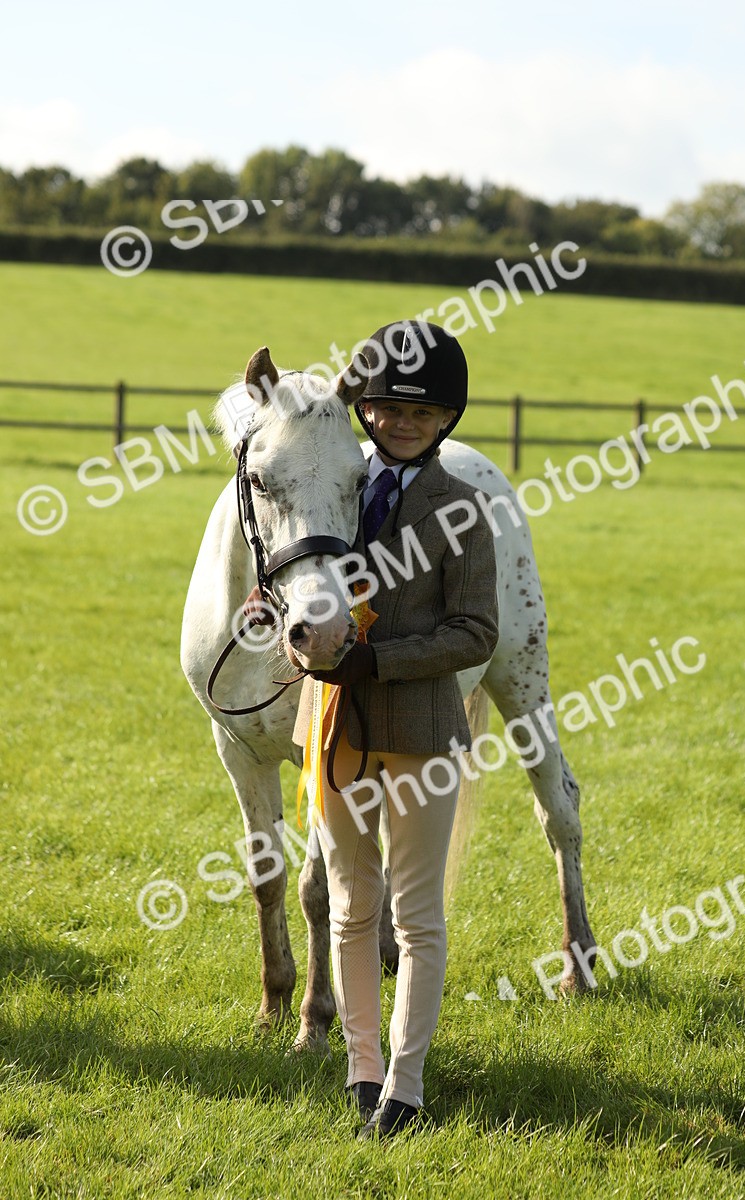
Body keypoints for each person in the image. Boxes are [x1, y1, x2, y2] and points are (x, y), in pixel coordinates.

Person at [293, 320, 499, 1140]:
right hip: (331, 724)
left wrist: (379, 662)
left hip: (419, 730)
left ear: (446, 418)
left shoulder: (463, 508)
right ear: (365, 407)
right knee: (349, 905)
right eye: (385, 407)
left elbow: (475, 633)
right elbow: (298, 572)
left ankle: (405, 1087)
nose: (402, 422)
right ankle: (361, 1067)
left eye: (423, 412)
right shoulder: (333, 489)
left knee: (414, 916)